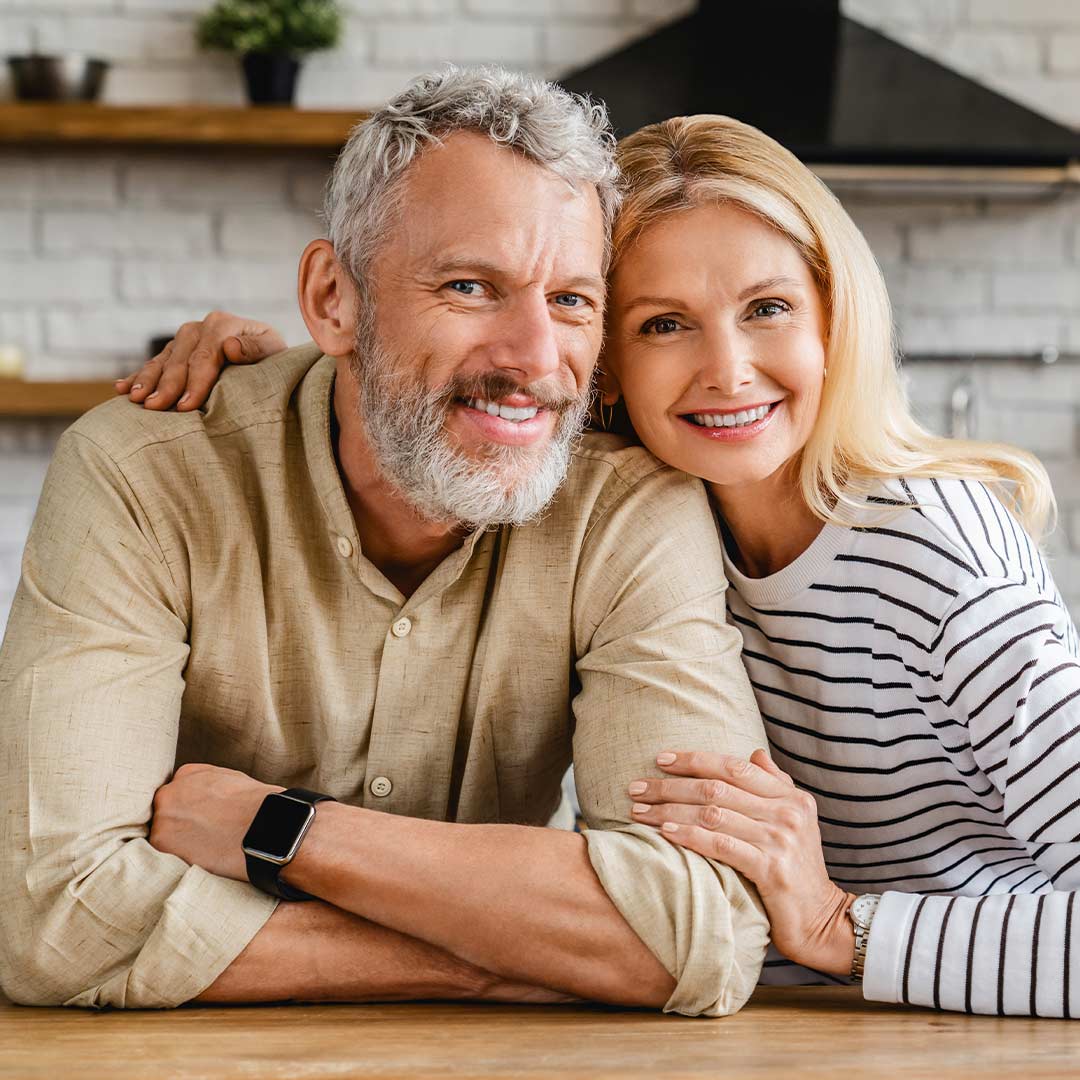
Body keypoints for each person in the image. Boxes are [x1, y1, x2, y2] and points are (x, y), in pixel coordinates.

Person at [148, 112, 1080, 1018]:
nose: (726, 369)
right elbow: (450, 367)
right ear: (603, 359)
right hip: (759, 1027)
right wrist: (282, 377)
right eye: (663, 324)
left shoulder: (939, 557)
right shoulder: (644, 517)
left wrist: (844, 927)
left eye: (768, 308)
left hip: (958, 1039)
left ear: (836, 318)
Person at [0, 69, 771, 1013]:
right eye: (468, 286)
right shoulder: (144, 474)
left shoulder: (631, 507)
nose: (535, 357)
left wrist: (279, 831)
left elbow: (702, 933)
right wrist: (505, 956)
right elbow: (53, 918)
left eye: (572, 300)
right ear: (334, 299)